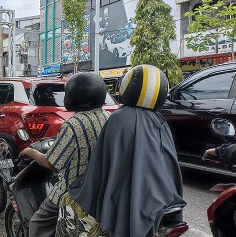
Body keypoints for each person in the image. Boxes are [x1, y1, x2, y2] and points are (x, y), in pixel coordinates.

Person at [56, 65, 186, 237]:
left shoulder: (120, 117)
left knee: (67, 206)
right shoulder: (159, 121)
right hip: (165, 202)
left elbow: (103, 168)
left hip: (127, 203)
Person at [18, 72, 110, 237]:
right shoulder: (107, 116)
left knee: (37, 224)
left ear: (76, 98)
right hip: (101, 187)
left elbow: (50, 163)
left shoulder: (73, 124)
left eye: (68, 93)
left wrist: (29, 151)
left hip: (72, 191)